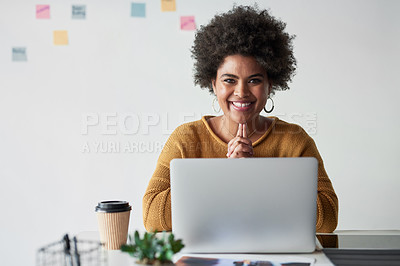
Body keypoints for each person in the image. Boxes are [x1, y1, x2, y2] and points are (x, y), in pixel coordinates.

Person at [143, 5, 338, 233]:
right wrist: (226, 178)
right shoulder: (185, 139)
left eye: (254, 80)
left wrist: (256, 177)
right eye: (229, 80)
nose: (241, 92)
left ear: (270, 84)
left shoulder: (294, 140)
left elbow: (328, 219)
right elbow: (152, 217)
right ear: (213, 84)